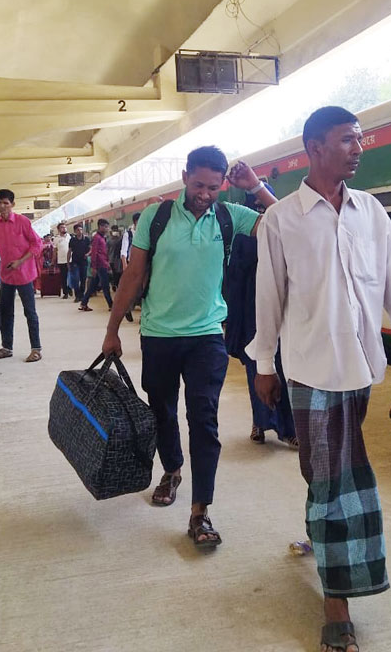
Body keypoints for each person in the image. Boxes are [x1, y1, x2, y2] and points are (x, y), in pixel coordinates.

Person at [247, 106, 391, 652]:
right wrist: (263, 365)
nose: (358, 148)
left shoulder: (371, 212)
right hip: (310, 367)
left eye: (360, 139)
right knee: (337, 479)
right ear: (315, 147)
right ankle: (337, 605)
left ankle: (318, 530)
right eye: (347, 140)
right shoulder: (281, 219)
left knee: (327, 469)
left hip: (361, 367)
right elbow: (270, 298)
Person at [102, 147, 275, 550]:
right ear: (184, 177)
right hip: (159, 333)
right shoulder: (156, 216)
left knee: (204, 419)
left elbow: (289, 222)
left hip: (206, 335)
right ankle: (173, 469)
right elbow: (134, 272)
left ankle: (200, 511)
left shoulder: (232, 215)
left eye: (214, 187)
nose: (204, 194)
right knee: (162, 410)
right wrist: (113, 329)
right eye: (198, 185)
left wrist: (256, 187)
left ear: (223, 185)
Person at [223, 184, 298, 449]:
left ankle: (289, 429)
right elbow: (232, 277)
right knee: (257, 368)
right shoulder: (244, 235)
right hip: (249, 311)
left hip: (282, 310)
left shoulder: (282, 232)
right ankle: (260, 422)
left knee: (285, 369)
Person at [0, 188, 44, 363]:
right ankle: (6, 347)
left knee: (30, 312)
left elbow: (37, 244)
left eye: (6, 203)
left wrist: (20, 261)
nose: (2, 206)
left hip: (25, 274)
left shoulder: (22, 222)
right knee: (5, 312)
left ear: (13, 204)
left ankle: (36, 348)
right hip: (7, 275)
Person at [80, 218, 113, 311]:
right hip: (100, 265)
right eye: (106, 227)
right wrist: (94, 267)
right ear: (100, 227)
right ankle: (111, 305)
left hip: (103, 264)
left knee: (92, 286)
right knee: (105, 285)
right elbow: (94, 253)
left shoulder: (102, 237)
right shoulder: (97, 238)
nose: (107, 229)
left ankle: (84, 303)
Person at [120, 212, 141, 323]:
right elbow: (123, 251)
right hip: (132, 264)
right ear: (135, 222)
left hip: (144, 264)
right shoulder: (128, 234)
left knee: (144, 289)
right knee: (133, 289)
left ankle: (144, 316)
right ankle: (127, 308)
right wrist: (125, 265)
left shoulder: (145, 232)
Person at [68, 223, 91, 304]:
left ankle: (81, 295)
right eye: (78, 230)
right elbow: (70, 251)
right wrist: (68, 262)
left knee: (83, 279)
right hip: (75, 262)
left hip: (84, 262)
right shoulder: (72, 240)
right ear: (75, 231)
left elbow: (91, 249)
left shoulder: (86, 239)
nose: (80, 231)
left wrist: (87, 254)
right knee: (76, 279)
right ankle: (77, 295)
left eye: (81, 229)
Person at [54, 222, 72, 298]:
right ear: (58, 229)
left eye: (65, 227)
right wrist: (53, 260)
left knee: (71, 276)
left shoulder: (70, 237)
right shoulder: (56, 239)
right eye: (62, 227)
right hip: (61, 260)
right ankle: (65, 292)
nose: (64, 228)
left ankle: (70, 288)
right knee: (63, 277)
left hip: (71, 259)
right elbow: (55, 250)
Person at [107, 226, 124, 290]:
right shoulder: (109, 240)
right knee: (114, 273)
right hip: (111, 259)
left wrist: (120, 233)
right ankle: (114, 284)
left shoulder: (120, 239)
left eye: (116, 230)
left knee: (119, 273)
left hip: (118, 259)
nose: (115, 232)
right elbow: (107, 250)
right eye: (113, 230)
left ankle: (117, 284)